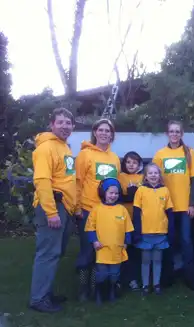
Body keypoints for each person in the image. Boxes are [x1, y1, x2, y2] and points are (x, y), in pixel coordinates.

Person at [29, 108, 76, 313]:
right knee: (48, 253)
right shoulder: (45, 148)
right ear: (52, 124)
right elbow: (42, 181)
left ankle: (45, 292)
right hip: (52, 207)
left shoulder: (65, 147)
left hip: (64, 207)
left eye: (68, 122)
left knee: (55, 253)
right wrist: (51, 212)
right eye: (61, 122)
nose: (65, 126)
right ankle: (38, 299)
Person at [153, 121, 194, 291]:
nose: (174, 134)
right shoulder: (160, 154)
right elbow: (154, 180)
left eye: (177, 132)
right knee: (168, 242)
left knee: (186, 242)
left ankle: (190, 278)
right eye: (171, 131)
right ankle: (168, 276)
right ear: (167, 134)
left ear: (181, 134)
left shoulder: (189, 153)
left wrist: (193, 204)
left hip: (184, 207)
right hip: (166, 207)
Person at [75, 118, 121, 301]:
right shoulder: (85, 155)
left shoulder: (115, 159)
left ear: (112, 135)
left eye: (108, 131)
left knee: (101, 252)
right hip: (88, 210)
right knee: (87, 249)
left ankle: (97, 288)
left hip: (107, 212)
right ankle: (82, 289)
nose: (104, 133)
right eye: (101, 130)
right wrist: (77, 207)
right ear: (95, 133)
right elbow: (77, 182)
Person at [85, 178, 134, 304]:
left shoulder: (122, 210)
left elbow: (128, 228)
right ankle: (99, 294)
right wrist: (94, 241)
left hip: (117, 249)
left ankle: (112, 291)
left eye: (116, 193)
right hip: (102, 249)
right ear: (104, 193)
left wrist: (127, 242)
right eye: (111, 193)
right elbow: (90, 228)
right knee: (102, 274)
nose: (114, 196)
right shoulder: (96, 210)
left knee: (114, 274)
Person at [133, 163, 173, 295]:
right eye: (150, 173)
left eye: (156, 173)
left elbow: (169, 212)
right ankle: (145, 284)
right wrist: (137, 231)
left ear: (159, 176)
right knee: (145, 260)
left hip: (160, 232)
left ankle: (156, 284)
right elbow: (136, 213)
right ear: (146, 177)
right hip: (145, 233)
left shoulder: (165, 190)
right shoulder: (141, 191)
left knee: (157, 260)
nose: (153, 175)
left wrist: (170, 230)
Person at [118, 151, 144, 292]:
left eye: (134, 162)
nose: (131, 165)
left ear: (139, 164)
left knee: (135, 249)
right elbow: (117, 195)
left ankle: (134, 278)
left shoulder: (142, 177)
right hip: (123, 218)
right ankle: (120, 278)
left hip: (138, 218)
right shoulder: (120, 176)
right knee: (123, 248)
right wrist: (128, 195)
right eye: (128, 162)